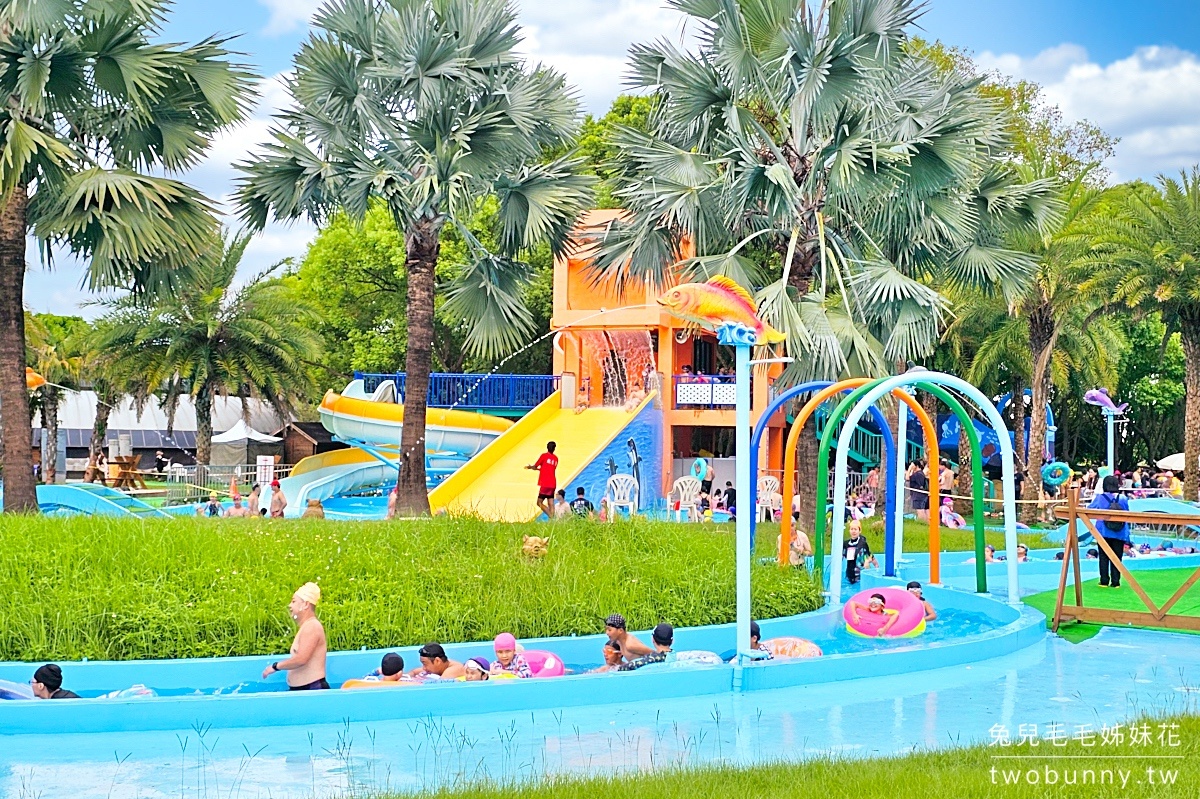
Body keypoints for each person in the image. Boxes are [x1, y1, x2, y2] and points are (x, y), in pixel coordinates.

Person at [262, 582, 328, 690]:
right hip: (305, 690)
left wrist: (275, 666)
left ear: (305, 604)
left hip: (312, 690)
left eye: (293, 601)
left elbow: (301, 659)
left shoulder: (312, 627)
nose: (290, 605)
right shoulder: (306, 626)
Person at [1088, 474, 1131, 588]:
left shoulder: (1100, 497)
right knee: (1117, 556)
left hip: (1103, 531)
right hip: (1119, 531)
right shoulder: (1123, 498)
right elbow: (1127, 513)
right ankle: (1116, 582)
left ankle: (1104, 580)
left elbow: (1090, 509)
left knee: (1103, 556)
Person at [526, 441, 559, 519]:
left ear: (547, 447)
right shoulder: (556, 459)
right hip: (553, 483)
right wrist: (539, 469)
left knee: (539, 502)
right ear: (554, 449)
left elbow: (535, 466)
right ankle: (553, 521)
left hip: (545, 483)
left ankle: (551, 517)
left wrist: (530, 467)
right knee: (551, 502)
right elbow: (549, 469)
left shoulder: (544, 456)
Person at [842, 519, 875, 585]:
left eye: (855, 529)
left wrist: (875, 566)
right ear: (849, 530)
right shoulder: (846, 544)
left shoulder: (862, 543)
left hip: (860, 576)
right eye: (852, 529)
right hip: (849, 575)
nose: (853, 531)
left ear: (859, 531)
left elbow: (870, 555)